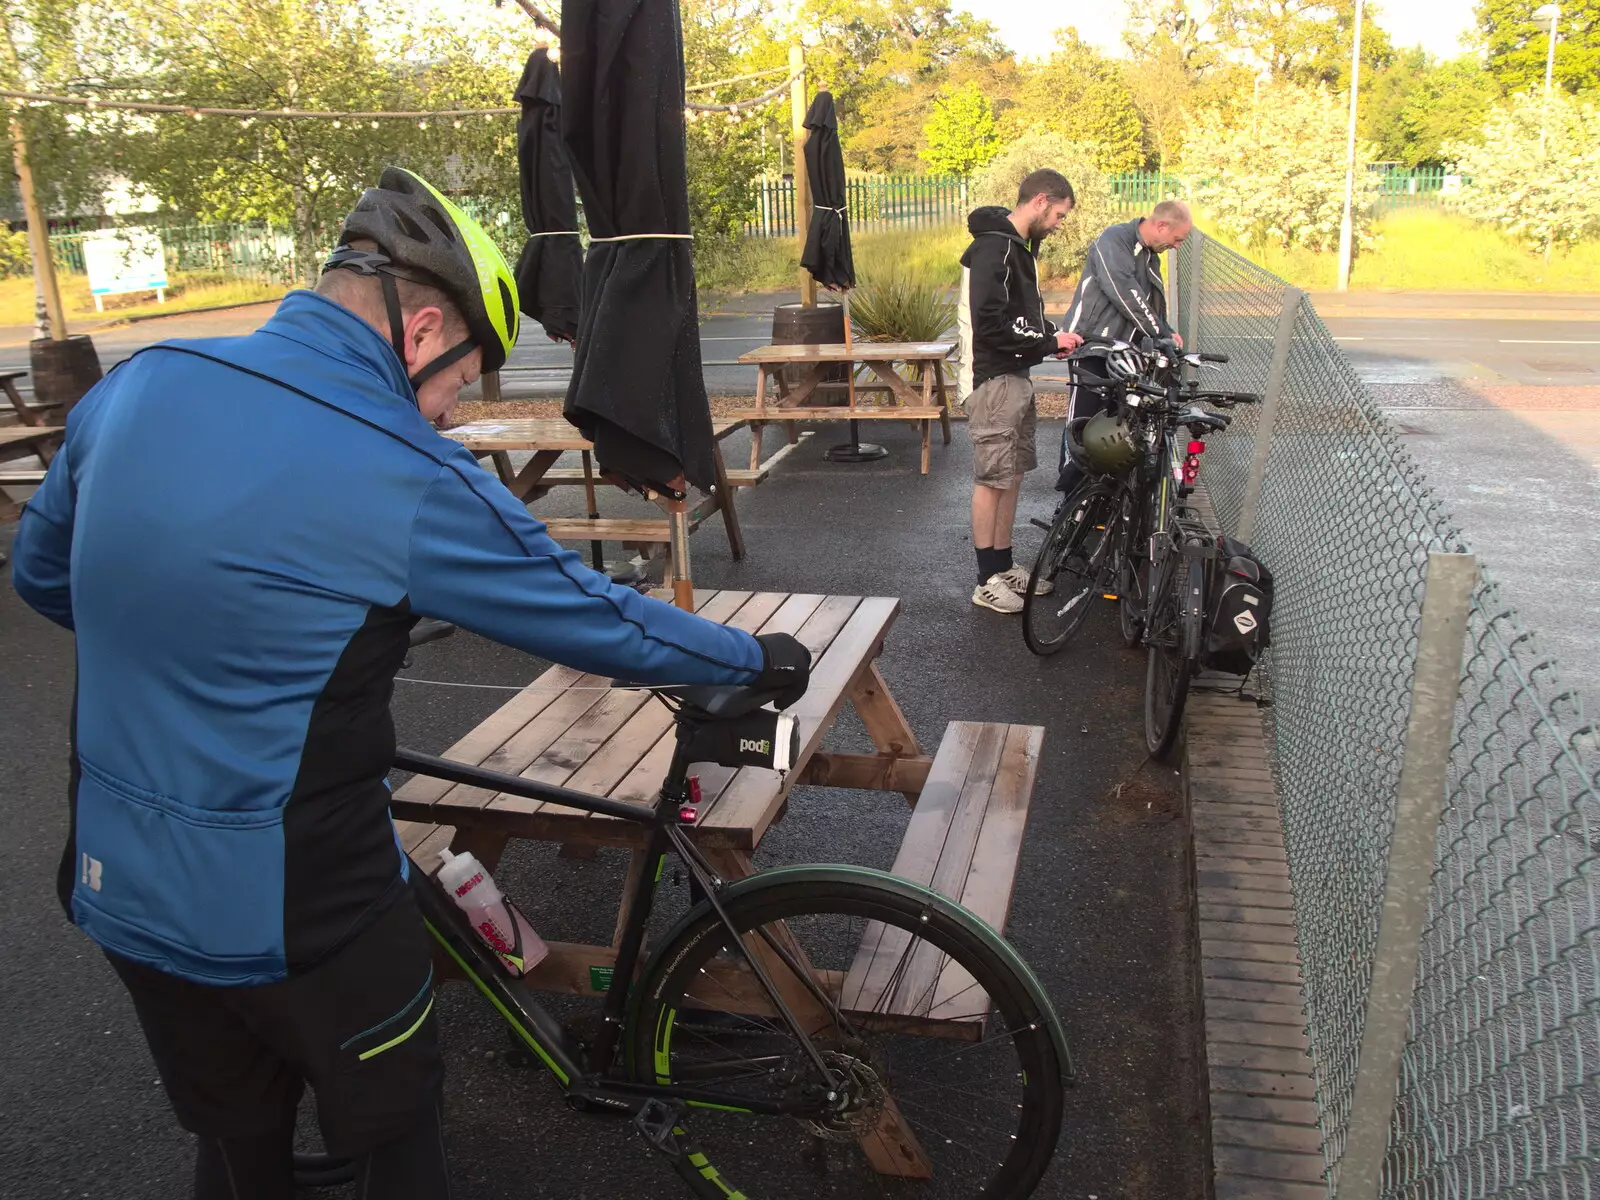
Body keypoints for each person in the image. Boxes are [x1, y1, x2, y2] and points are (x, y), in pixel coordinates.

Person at [8, 166, 810, 1200]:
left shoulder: (136, 386)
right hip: (300, 903)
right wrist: (757, 659)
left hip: (118, 879)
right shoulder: (400, 468)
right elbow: (591, 614)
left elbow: (46, 578)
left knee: (235, 1142)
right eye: (458, 384)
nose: (447, 414)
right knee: (397, 1140)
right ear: (423, 329)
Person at [956, 169, 1085, 615]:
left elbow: (1018, 317)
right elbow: (991, 323)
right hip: (991, 379)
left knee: (1010, 474)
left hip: (1015, 375)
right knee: (992, 479)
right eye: (1060, 214)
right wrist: (1049, 342)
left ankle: (1002, 564)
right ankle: (984, 580)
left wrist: (1053, 334)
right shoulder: (994, 249)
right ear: (1041, 200)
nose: (1060, 223)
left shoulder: (1016, 248)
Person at [1054, 198, 1192, 496]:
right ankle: (1068, 500)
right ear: (1161, 225)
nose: (1177, 246)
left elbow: (1152, 303)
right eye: (1177, 239)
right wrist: (1160, 333)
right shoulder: (1115, 239)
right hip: (1091, 348)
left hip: (1124, 357)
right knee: (1082, 428)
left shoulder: (1149, 255)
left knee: (1114, 434)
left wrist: (1166, 332)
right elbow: (1124, 292)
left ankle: (1100, 501)